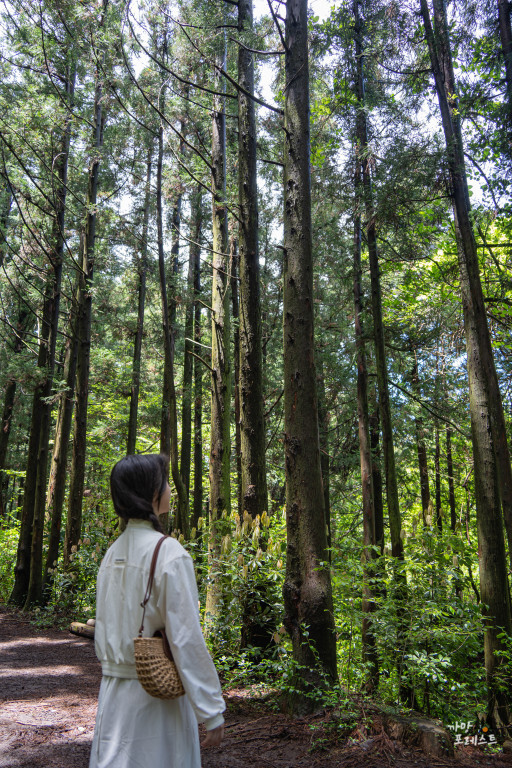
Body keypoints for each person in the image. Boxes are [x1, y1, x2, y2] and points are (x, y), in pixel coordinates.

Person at [89, 453, 225, 768]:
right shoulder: (170, 553)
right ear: (150, 493)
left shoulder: (111, 554)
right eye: (164, 483)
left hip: (112, 698)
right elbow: (186, 638)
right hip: (157, 703)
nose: (169, 489)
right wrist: (210, 709)